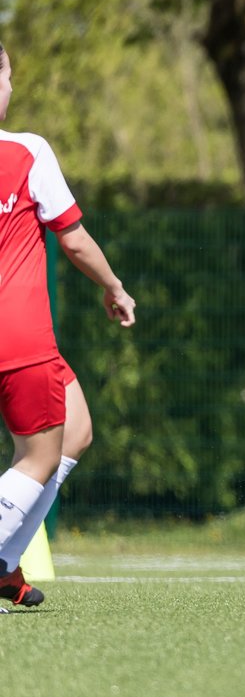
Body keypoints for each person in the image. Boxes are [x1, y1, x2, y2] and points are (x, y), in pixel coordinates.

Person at [0, 40, 137, 609]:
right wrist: (113, 287)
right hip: (17, 336)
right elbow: (74, 239)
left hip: (28, 346)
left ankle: (6, 565)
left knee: (75, 430)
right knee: (37, 456)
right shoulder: (26, 152)